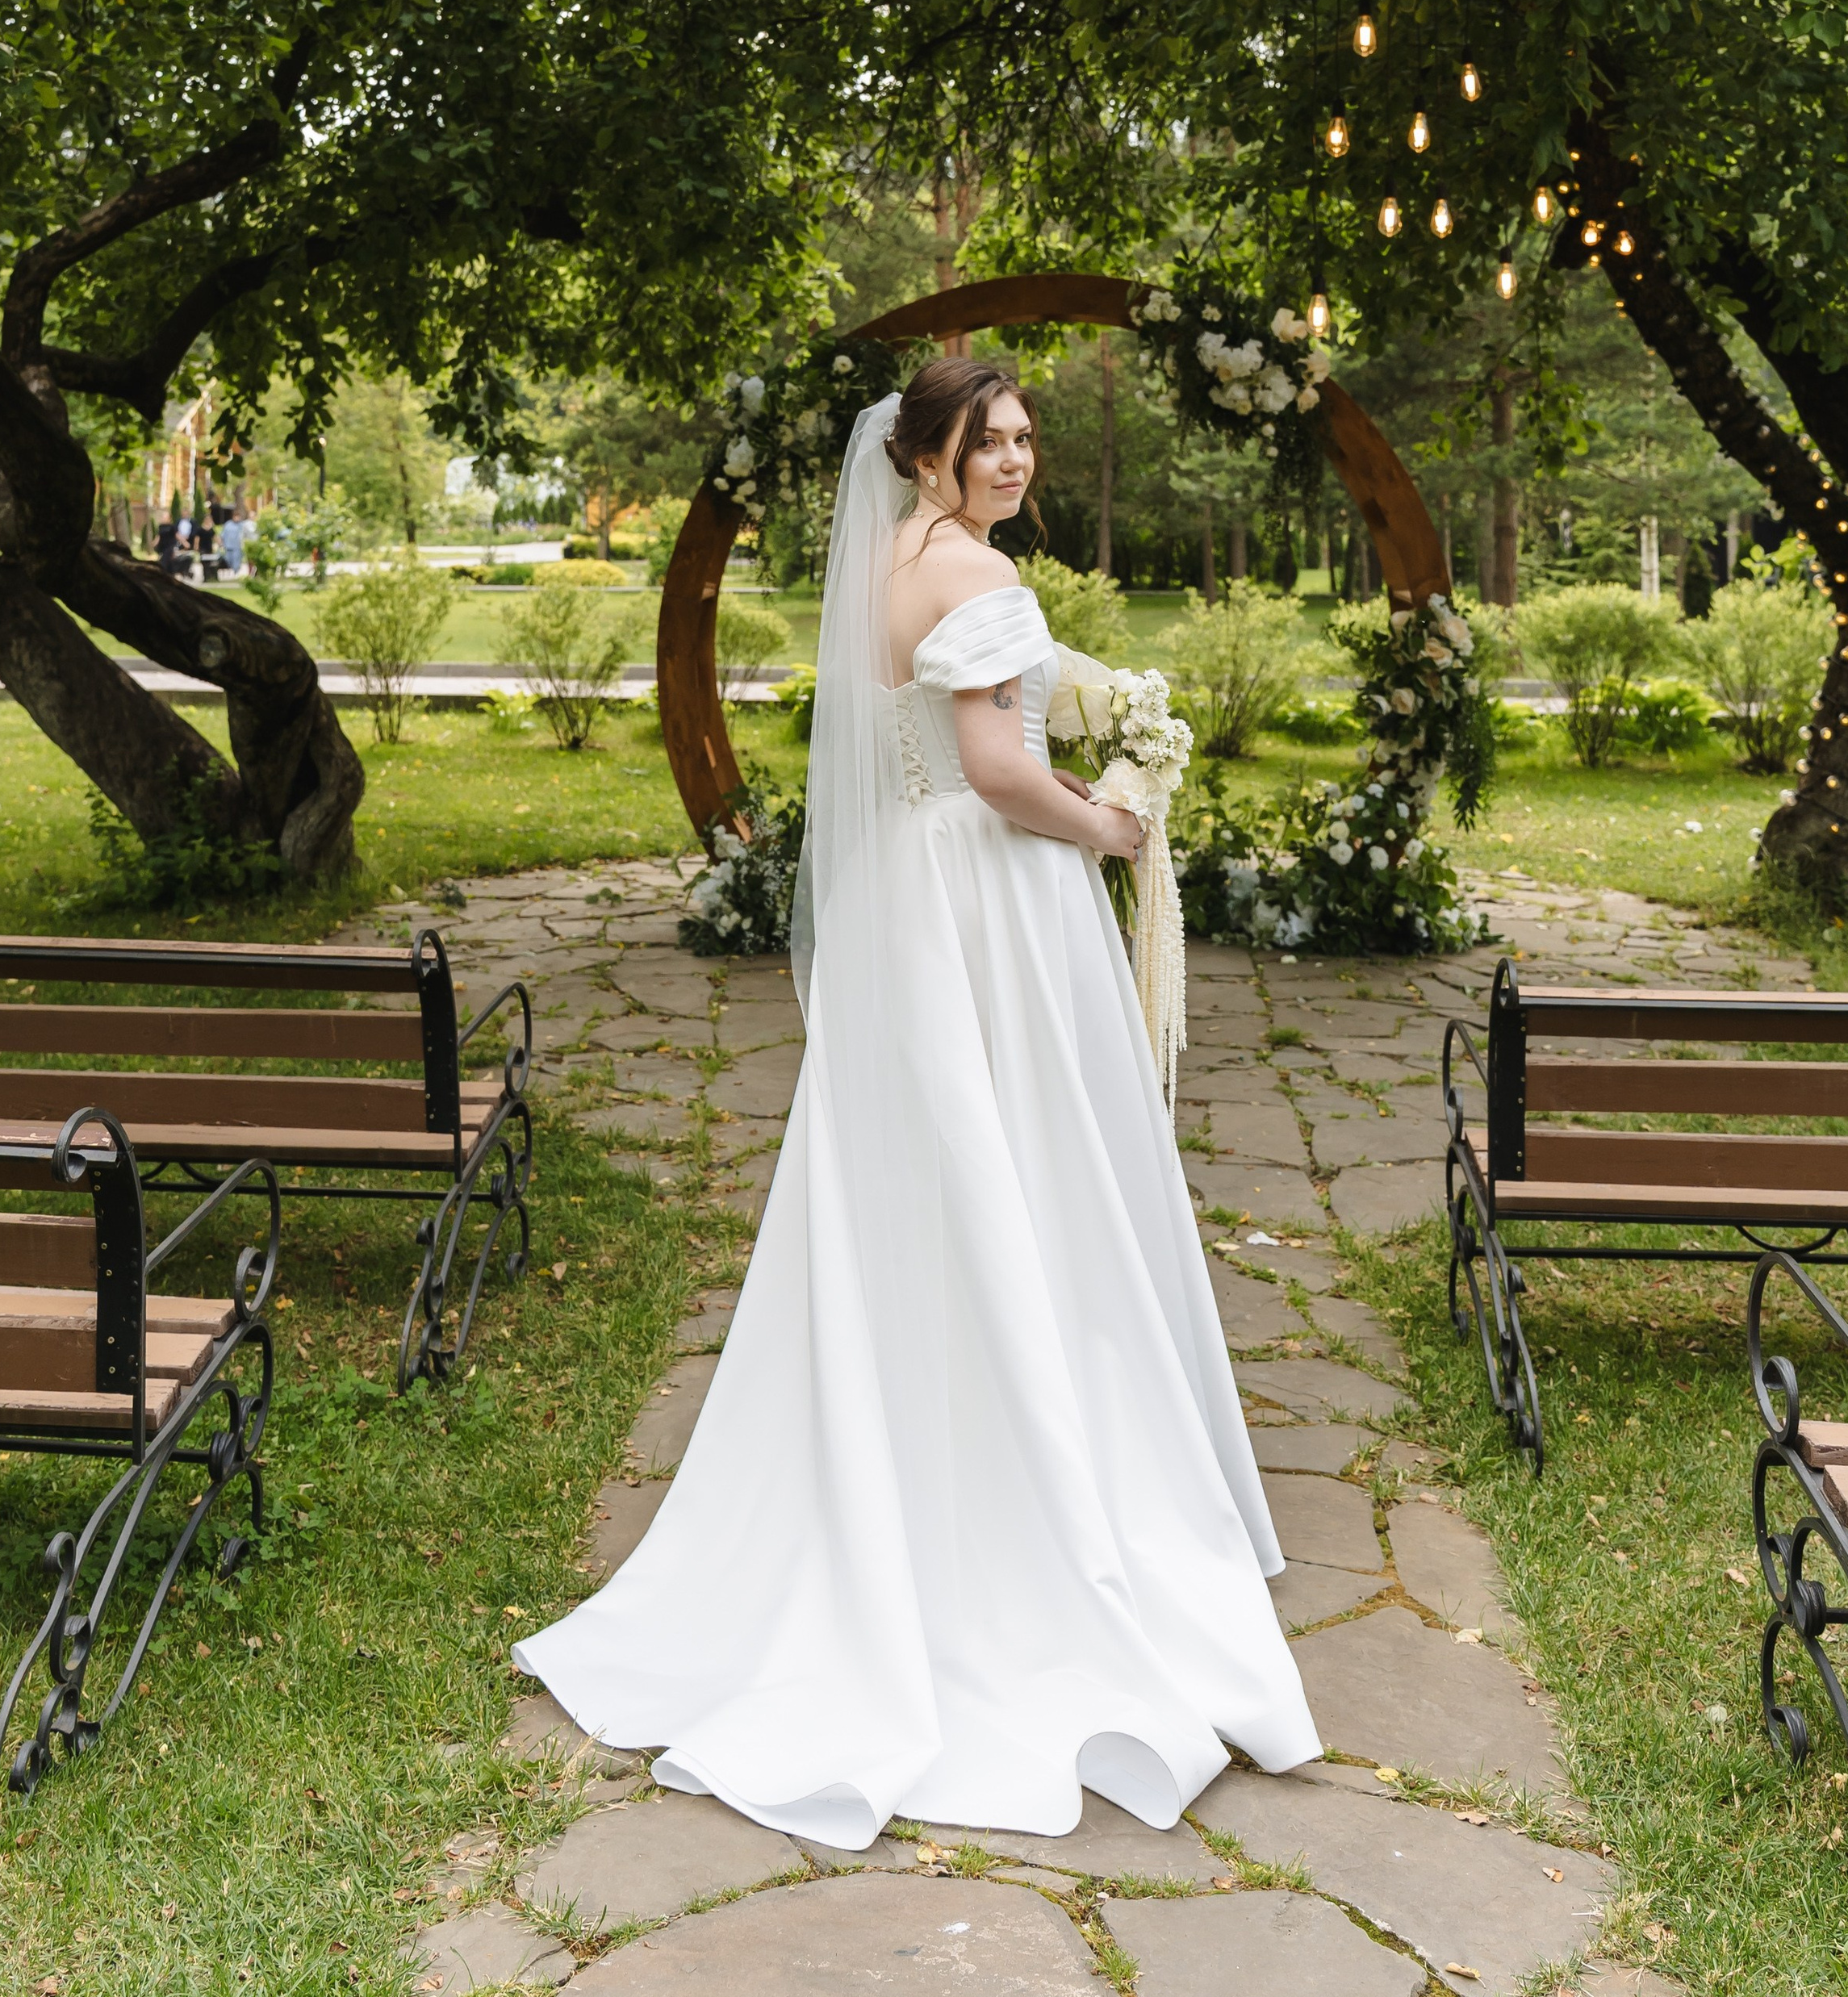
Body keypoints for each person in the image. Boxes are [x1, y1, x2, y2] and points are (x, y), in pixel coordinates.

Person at [514, 357, 1318, 1846]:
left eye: (1024, 437)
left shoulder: (889, 563)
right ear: (928, 453)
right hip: (992, 900)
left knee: (923, 1176)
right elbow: (999, 770)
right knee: (1032, 1167)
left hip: (906, 900)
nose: (1014, 459)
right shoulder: (979, 577)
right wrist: (1112, 825)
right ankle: (1034, 1495)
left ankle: (915, 1449)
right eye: (986, 440)